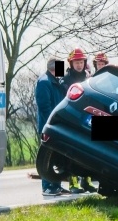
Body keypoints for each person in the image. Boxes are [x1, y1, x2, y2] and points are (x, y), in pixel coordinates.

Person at [62, 48, 97, 193]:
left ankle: (87, 181)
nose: (79, 65)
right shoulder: (65, 80)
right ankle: (73, 183)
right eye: (76, 62)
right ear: (71, 63)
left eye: (81, 61)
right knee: (72, 152)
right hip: (73, 119)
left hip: (88, 118)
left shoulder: (89, 78)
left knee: (90, 152)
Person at [36, 57, 69, 196]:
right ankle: (47, 186)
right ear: (54, 69)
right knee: (47, 157)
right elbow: (44, 107)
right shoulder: (44, 82)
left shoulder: (56, 82)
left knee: (57, 156)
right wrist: (52, 123)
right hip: (48, 126)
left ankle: (56, 184)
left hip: (57, 126)